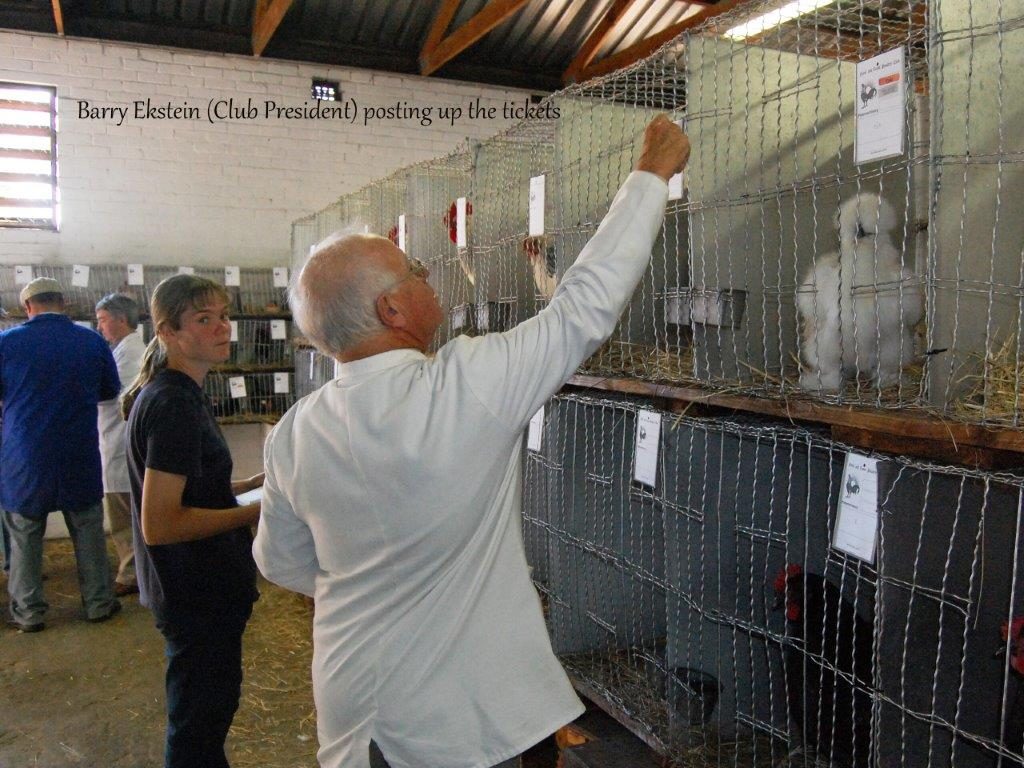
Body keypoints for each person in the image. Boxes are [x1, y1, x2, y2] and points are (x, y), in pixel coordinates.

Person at [253, 115, 690, 768]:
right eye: (414, 270)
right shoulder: (464, 385)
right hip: (462, 724)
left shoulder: (294, 430)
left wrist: (376, 581)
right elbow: (583, 308)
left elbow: (280, 563)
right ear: (392, 311)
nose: (428, 274)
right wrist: (651, 174)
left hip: (355, 716)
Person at [122, 274, 262, 768]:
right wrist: (254, 512)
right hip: (195, 589)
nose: (223, 328)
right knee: (197, 729)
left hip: (194, 587)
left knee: (206, 716)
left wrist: (252, 484)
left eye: (223, 316)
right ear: (168, 332)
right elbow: (161, 523)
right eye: (204, 320)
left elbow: (190, 487)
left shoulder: (179, 391)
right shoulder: (173, 404)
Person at [0, 276, 121, 632]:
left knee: (24, 534)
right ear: (63, 302)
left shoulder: (6, 343)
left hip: (25, 455)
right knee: (87, 529)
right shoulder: (91, 341)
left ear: (27, 307)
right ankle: (98, 603)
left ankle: (29, 613)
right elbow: (109, 391)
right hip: (78, 450)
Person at [95, 293, 147, 597]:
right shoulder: (124, 351)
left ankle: (130, 574)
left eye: (103, 320)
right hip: (116, 444)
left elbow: (118, 402)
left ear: (121, 319)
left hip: (120, 445)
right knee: (127, 515)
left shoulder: (130, 355)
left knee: (124, 519)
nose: (99, 327)